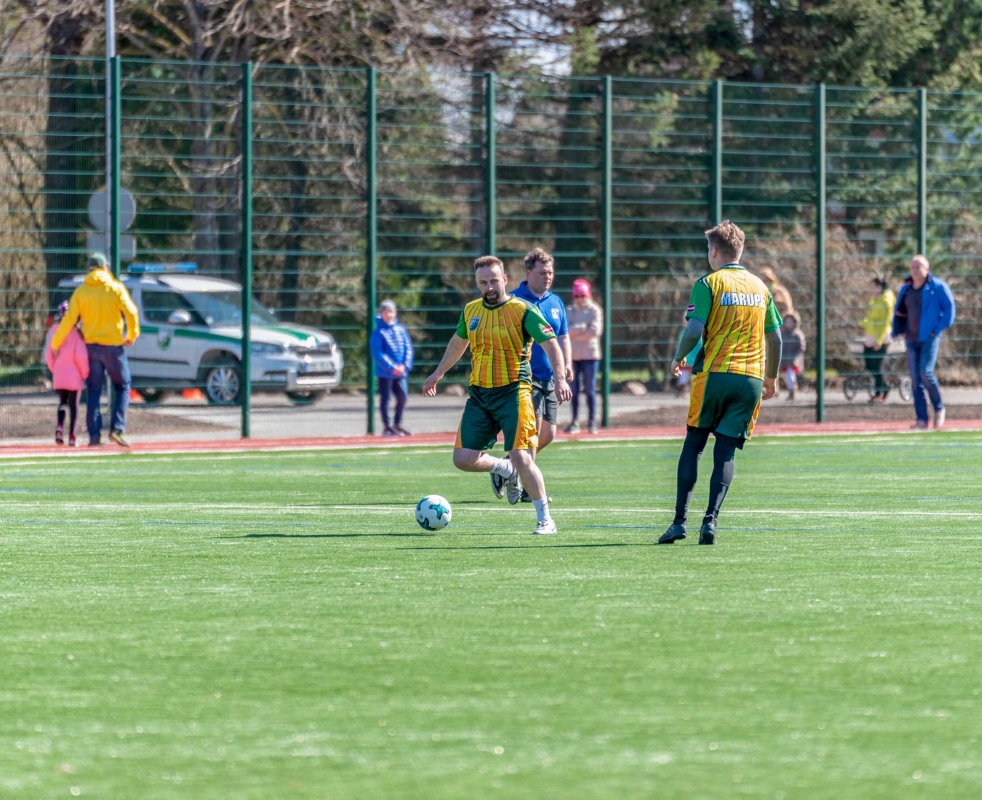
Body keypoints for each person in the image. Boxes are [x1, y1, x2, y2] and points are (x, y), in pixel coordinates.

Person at [423, 255, 572, 535]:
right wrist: (438, 373)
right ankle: (505, 469)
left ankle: (545, 520)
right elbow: (458, 343)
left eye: (494, 280)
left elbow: (551, 342)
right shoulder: (471, 311)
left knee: (521, 454)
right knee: (463, 459)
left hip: (514, 391)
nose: (489, 287)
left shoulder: (522, 309)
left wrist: (561, 377)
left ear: (504, 280)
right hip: (479, 395)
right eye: (483, 282)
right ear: (477, 284)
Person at [659, 221, 782, 546]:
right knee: (725, 452)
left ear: (714, 251)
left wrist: (678, 356)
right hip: (751, 380)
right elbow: (777, 339)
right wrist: (771, 378)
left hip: (714, 376)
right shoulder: (760, 287)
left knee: (694, 444)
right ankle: (710, 521)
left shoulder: (708, 283)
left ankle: (679, 522)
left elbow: (694, 330)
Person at [490, 247, 571, 502]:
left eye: (550, 272)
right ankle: (528, 490)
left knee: (548, 434)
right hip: (523, 376)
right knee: (532, 433)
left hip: (549, 376)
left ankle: (505, 466)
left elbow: (563, 336)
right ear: (528, 273)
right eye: (542, 272)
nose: (547, 276)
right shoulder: (514, 300)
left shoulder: (555, 302)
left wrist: (566, 365)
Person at [51, 252, 140, 447]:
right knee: (123, 385)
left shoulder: (81, 292)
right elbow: (132, 312)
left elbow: (69, 321)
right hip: (113, 347)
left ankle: (94, 436)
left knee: (94, 391)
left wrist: (55, 344)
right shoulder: (115, 288)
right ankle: (117, 429)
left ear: (89, 270)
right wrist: (132, 335)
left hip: (91, 347)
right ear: (106, 268)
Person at [891, 255, 955, 429]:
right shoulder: (906, 289)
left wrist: (937, 329)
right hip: (911, 338)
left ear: (927, 269)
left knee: (925, 372)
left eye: (918, 266)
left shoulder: (937, 287)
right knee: (914, 379)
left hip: (929, 337)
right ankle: (921, 419)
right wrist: (898, 330)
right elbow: (899, 310)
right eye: (912, 267)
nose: (915, 270)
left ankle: (939, 407)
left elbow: (949, 308)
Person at [44, 301, 89, 447]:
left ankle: (59, 427)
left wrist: (55, 369)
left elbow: (49, 354)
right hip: (74, 377)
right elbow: (81, 356)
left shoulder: (54, 330)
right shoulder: (76, 332)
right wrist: (85, 373)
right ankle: (72, 437)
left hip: (59, 375)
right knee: (74, 406)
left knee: (62, 403)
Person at [370, 300, 414, 436]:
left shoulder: (401, 329)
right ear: (381, 313)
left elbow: (408, 349)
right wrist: (392, 367)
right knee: (386, 399)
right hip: (385, 374)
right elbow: (378, 353)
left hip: (400, 373)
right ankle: (387, 426)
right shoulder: (378, 332)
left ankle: (397, 424)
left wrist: (404, 366)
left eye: (391, 311)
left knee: (403, 397)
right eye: (385, 312)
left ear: (395, 313)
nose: (388, 314)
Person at [566, 278, 603, 431]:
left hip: (591, 356)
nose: (580, 299)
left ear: (588, 295)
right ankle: (575, 421)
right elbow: (565, 331)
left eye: (582, 296)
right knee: (573, 391)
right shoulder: (569, 311)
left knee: (590, 390)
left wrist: (575, 333)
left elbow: (595, 331)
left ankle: (592, 421)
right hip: (573, 356)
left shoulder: (595, 310)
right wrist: (582, 328)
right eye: (577, 296)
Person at [859, 276, 896, 402]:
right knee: (869, 365)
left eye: (873, 287)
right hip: (870, 337)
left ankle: (879, 392)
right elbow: (871, 319)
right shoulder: (875, 301)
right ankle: (883, 387)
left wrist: (879, 341)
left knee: (876, 366)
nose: (871, 289)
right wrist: (861, 324)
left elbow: (885, 323)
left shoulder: (885, 302)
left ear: (880, 287)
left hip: (880, 339)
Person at [674, 310, 701, 396]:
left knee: (692, 375)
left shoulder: (697, 333)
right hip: (689, 359)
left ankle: (691, 390)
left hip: (694, 358)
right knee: (685, 374)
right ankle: (682, 390)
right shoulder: (687, 333)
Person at [779, 312, 806, 401]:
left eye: (791, 322)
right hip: (784, 359)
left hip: (794, 359)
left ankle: (792, 390)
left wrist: (796, 356)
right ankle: (791, 389)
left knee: (790, 375)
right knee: (785, 375)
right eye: (787, 322)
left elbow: (801, 347)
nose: (789, 324)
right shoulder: (783, 334)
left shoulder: (797, 334)